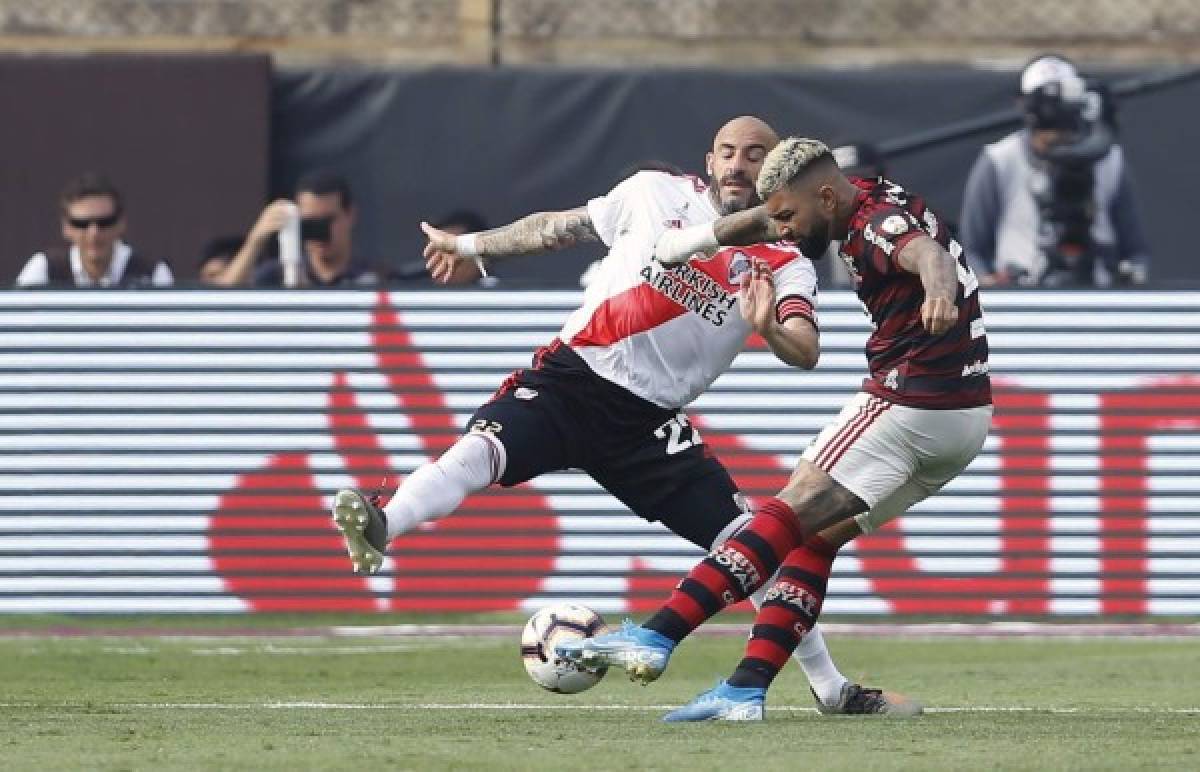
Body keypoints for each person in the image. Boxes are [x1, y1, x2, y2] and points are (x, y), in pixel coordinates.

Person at [332, 116, 914, 715]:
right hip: (572, 381)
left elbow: (806, 346)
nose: (739, 164)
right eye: (728, 152)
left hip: (650, 423)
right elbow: (556, 230)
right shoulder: (652, 194)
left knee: (754, 548)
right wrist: (470, 247)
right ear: (708, 162)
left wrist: (768, 326)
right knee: (479, 451)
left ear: (773, 171)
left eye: (755, 155)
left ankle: (830, 687)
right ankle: (385, 523)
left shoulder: (786, 259)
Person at [558, 137, 991, 721]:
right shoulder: (852, 196)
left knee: (779, 516)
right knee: (816, 538)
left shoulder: (874, 224)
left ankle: (658, 634)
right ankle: (744, 690)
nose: (781, 230)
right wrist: (690, 242)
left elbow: (926, 256)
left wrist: (938, 293)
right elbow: (759, 220)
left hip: (910, 399)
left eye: (789, 217)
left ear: (827, 198)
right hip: (963, 421)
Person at [959, 54, 1150, 287]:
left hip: (1097, 291)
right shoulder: (1000, 160)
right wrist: (987, 283)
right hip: (1021, 291)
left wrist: (1130, 276)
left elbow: (1135, 249)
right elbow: (973, 247)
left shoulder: (1108, 160)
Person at [208, 171, 377, 287]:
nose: (319, 231)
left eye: (326, 220)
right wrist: (256, 239)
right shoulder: (276, 274)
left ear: (350, 215)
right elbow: (224, 304)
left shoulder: (371, 279)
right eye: (309, 222)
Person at [15, 172, 173, 288]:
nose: (94, 233)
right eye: (81, 224)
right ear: (66, 227)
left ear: (121, 223)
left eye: (105, 222)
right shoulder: (45, 269)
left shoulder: (151, 273)